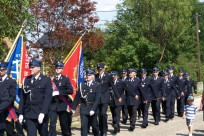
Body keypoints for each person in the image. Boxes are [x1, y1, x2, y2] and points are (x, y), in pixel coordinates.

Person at [18, 60, 53, 136]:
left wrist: (43, 112)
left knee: (44, 133)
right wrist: (21, 113)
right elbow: (23, 98)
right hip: (29, 113)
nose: (30, 69)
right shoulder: (26, 80)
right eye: (30, 67)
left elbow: (47, 98)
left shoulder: (46, 80)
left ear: (38, 68)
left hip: (40, 113)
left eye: (33, 67)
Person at [72, 68, 100, 136]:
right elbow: (77, 97)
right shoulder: (82, 84)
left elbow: (97, 99)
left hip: (92, 107)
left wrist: (93, 109)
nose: (88, 76)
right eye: (87, 75)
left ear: (93, 76)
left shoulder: (97, 85)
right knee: (84, 126)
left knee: (95, 126)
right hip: (84, 107)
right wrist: (73, 108)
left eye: (89, 75)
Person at [49, 61, 73, 136]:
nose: (58, 69)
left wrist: (59, 93)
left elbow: (70, 90)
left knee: (64, 124)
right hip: (52, 104)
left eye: (59, 68)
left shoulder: (65, 79)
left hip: (62, 104)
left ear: (62, 69)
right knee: (52, 124)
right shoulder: (50, 79)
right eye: (56, 68)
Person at [95, 63, 119, 136]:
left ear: (104, 69)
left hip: (105, 98)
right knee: (99, 115)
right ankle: (101, 129)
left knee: (103, 114)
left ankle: (104, 131)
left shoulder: (108, 76)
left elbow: (113, 87)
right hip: (97, 99)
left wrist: (118, 96)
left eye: (101, 69)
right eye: (99, 69)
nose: (100, 70)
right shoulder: (95, 77)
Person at [0, 62, 16, 136]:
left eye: (1, 70)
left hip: (7, 109)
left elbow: (12, 96)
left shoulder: (11, 81)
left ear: (6, 70)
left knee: (10, 131)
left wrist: (4, 106)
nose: (0, 71)